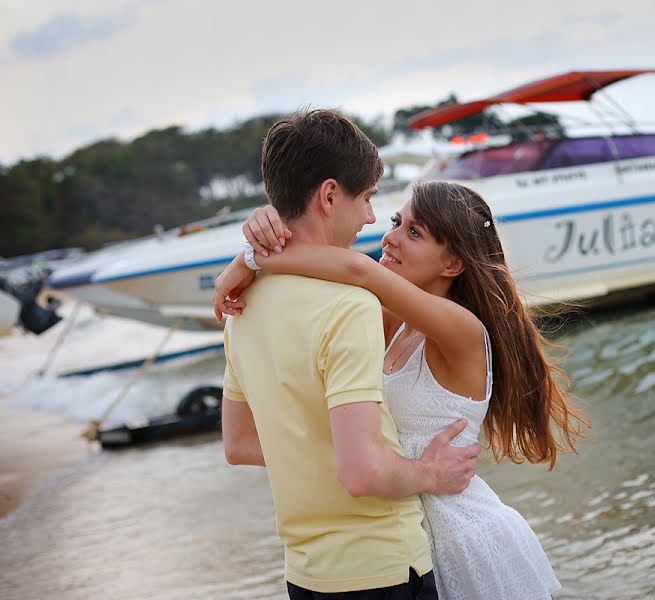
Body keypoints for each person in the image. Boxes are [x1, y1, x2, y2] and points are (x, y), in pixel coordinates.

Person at [214, 180, 591, 599]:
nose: (389, 237)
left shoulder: (462, 330)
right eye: (397, 221)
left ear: (451, 264)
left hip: (462, 544)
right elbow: (323, 280)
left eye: (414, 232)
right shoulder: (387, 321)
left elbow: (355, 268)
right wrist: (258, 237)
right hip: (400, 548)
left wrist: (250, 259)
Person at [219, 110, 481, 600]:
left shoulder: (240, 306)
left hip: (307, 575)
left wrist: (249, 259)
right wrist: (429, 471)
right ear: (330, 194)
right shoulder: (349, 307)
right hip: (380, 566)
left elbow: (239, 444)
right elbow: (361, 472)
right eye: (366, 199)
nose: (370, 219)